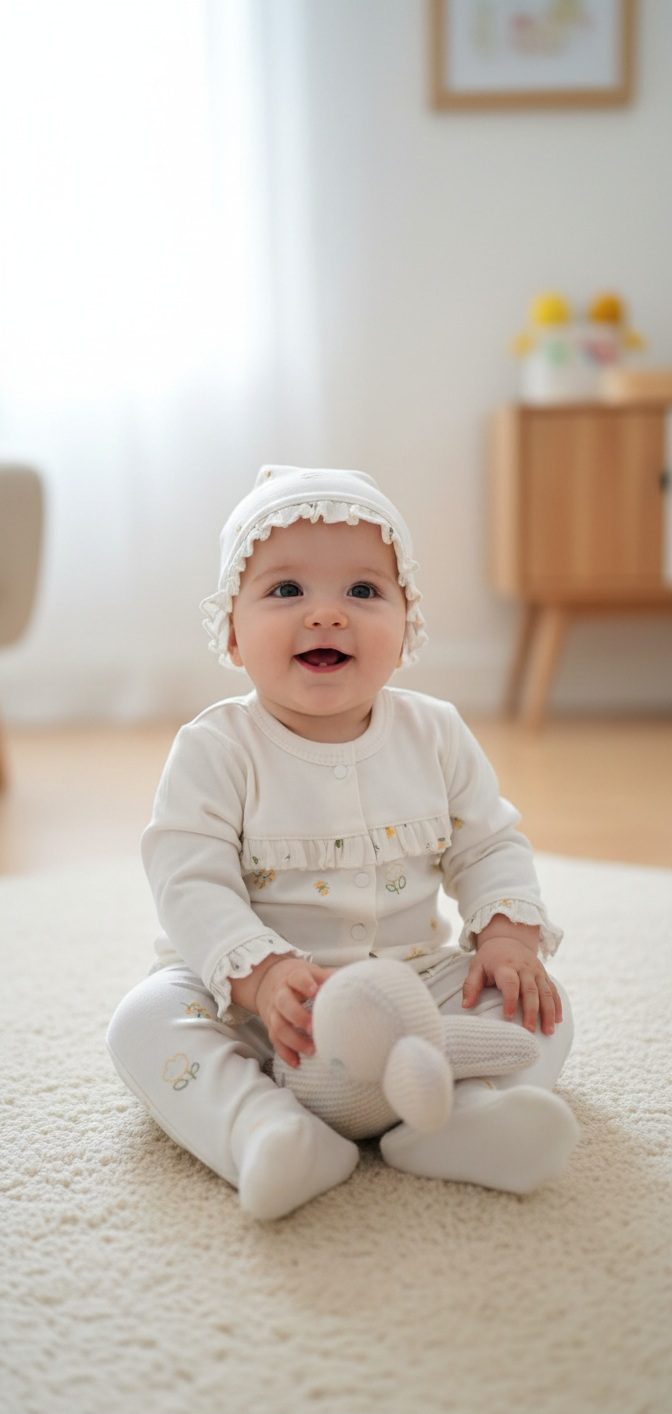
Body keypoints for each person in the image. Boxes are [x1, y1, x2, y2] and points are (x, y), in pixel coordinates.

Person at [107, 465, 579, 1220]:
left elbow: (489, 845)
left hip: (414, 993)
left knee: (538, 1007)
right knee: (144, 1021)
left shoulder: (435, 733)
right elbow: (187, 880)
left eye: (363, 591)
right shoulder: (215, 748)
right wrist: (261, 974)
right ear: (232, 631)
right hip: (265, 1016)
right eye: (286, 590)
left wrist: (506, 935)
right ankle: (267, 1130)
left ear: (406, 622)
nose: (326, 615)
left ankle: (461, 1119)